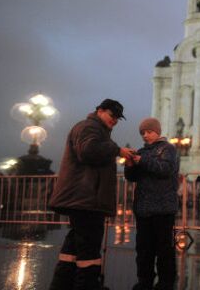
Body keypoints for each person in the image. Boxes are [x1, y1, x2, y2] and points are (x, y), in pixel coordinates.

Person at [48, 99, 135, 289]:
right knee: (89, 249)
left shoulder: (98, 130)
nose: (115, 121)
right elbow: (87, 151)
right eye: (112, 116)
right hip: (86, 199)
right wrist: (117, 150)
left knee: (73, 247)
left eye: (118, 118)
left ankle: (61, 285)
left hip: (84, 198)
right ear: (100, 111)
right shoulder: (89, 127)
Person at [125, 117, 179, 290]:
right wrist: (130, 165)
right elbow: (132, 178)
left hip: (163, 208)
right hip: (143, 208)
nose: (145, 135)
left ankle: (166, 282)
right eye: (143, 133)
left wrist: (142, 161)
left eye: (149, 132)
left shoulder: (168, 148)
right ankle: (144, 280)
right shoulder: (142, 151)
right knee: (144, 249)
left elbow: (165, 169)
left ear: (157, 131)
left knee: (164, 249)